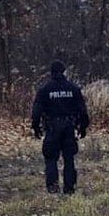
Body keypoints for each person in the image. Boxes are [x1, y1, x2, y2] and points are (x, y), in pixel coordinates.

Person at [31, 60, 89, 194]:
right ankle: (69, 188)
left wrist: (36, 127)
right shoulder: (73, 88)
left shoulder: (45, 89)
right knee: (69, 159)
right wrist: (83, 127)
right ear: (64, 72)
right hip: (69, 127)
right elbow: (82, 110)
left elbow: (36, 111)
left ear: (51, 73)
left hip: (52, 128)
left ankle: (53, 187)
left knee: (51, 158)